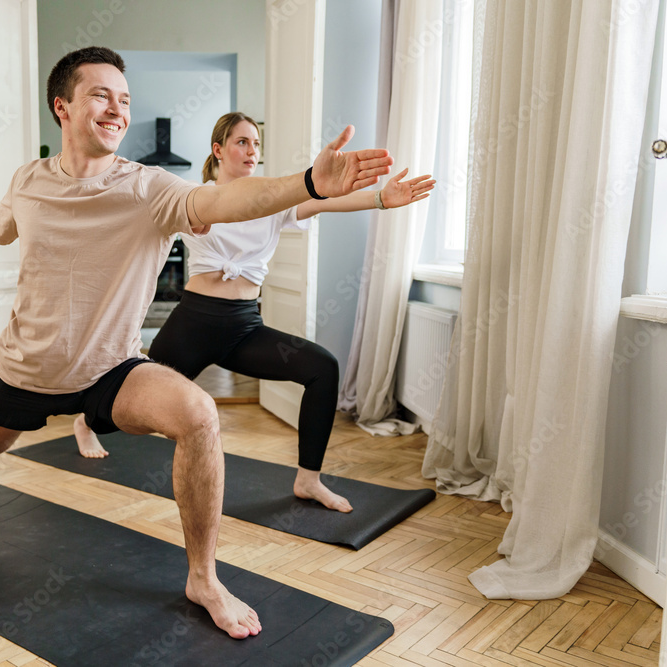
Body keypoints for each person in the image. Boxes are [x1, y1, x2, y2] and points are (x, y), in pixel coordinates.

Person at [0, 47, 392, 640]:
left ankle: (203, 577)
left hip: (112, 369)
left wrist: (307, 184)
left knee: (199, 415)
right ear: (63, 106)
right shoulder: (28, 181)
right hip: (28, 368)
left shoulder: (149, 188)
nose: (117, 108)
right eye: (101, 95)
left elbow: (222, 200)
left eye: (125, 100)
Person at [75, 112, 434, 513]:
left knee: (322, 368)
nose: (252, 151)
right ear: (218, 150)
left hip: (244, 327)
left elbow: (327, 201)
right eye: (242, 142)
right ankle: (87, 423)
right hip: (194, 324)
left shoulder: (273, 200)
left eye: (257, 144)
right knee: (131, 408)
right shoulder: (196, 196)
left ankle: (308, 479)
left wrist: (383, 198)